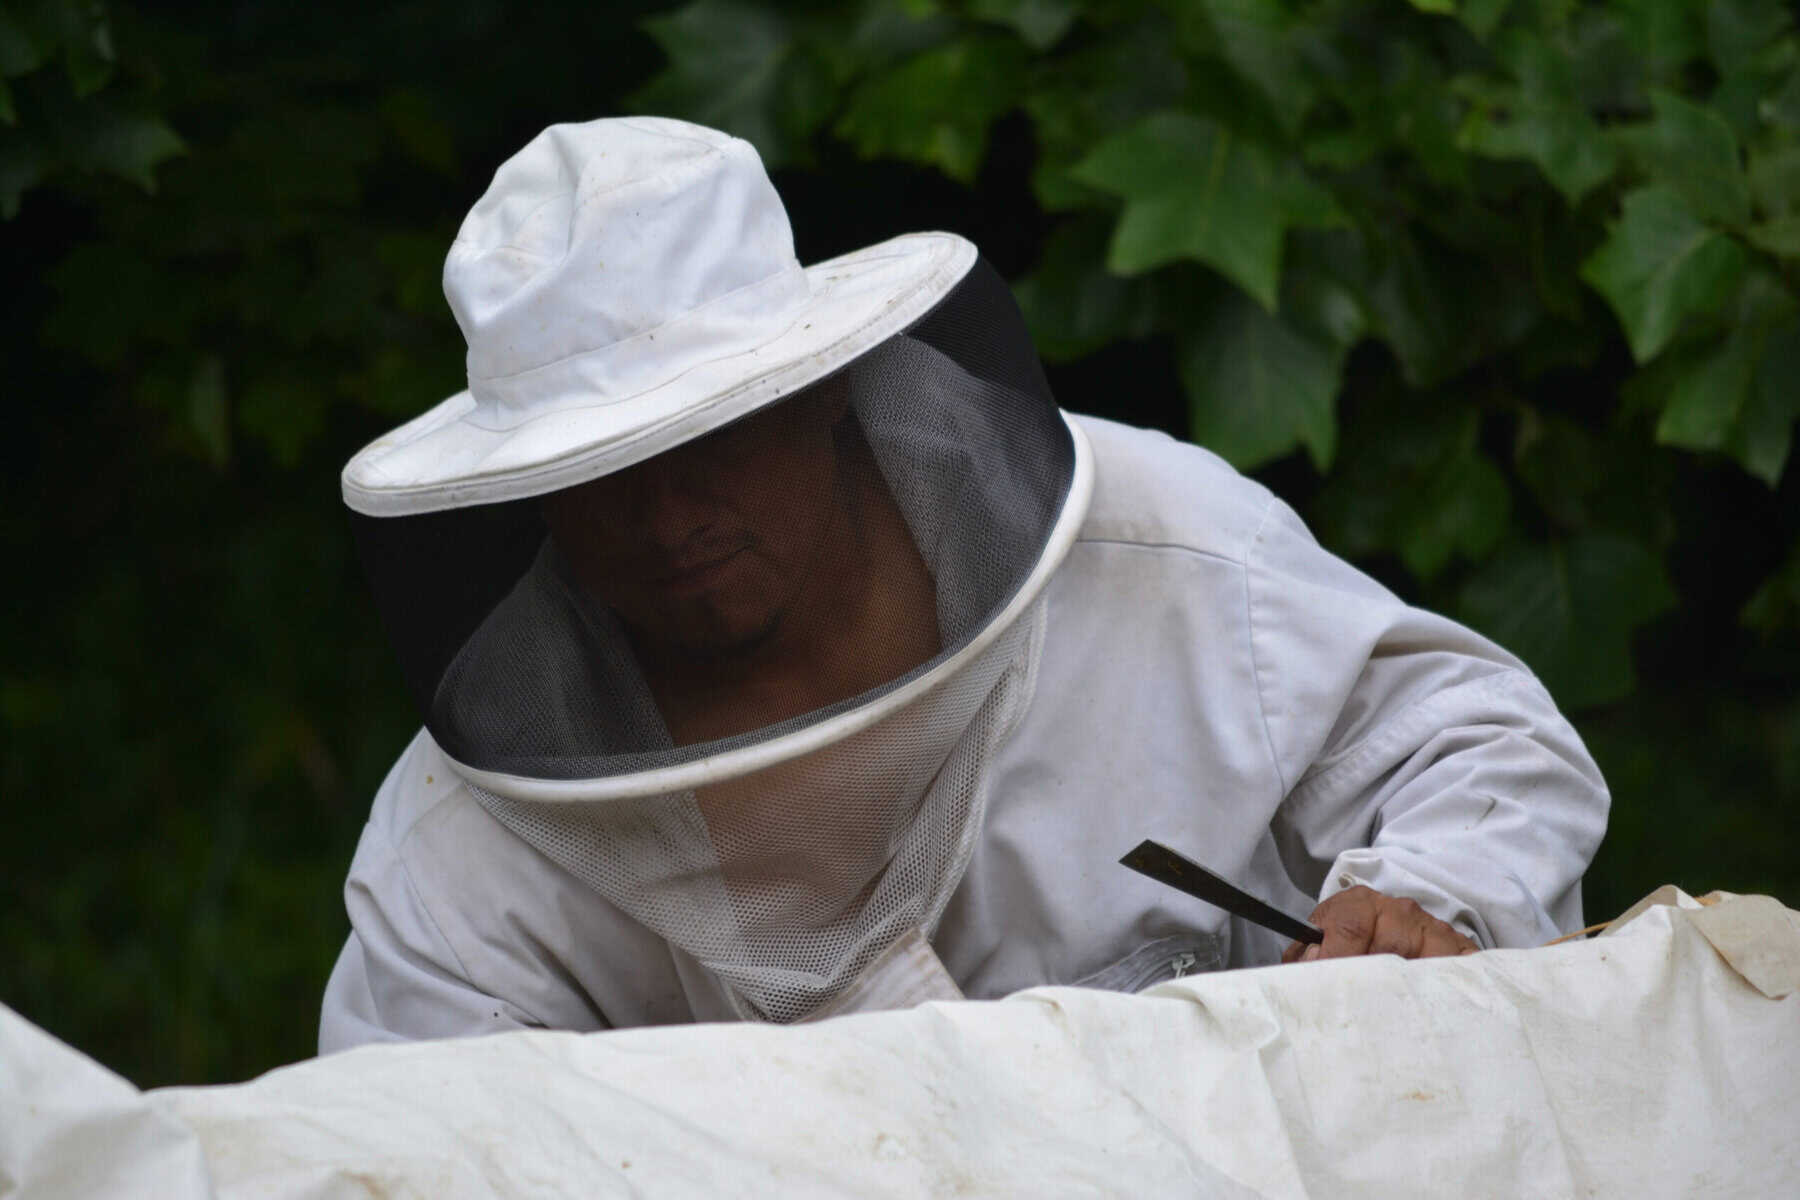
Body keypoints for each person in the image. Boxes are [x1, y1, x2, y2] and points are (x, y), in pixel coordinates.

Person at [319, 117, 1607, 1049]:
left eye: (710, 439)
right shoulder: (462, 856)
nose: (666, 515)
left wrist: (1427, 904)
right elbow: (413, 1140)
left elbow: (1480, 748)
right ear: (529, 496)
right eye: (602, 471)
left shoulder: (1156, 545)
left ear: (821, 391)